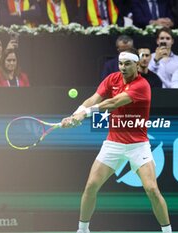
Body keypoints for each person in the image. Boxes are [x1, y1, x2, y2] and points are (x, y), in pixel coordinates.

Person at [61, 48, 172, 233]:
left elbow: (113, 102)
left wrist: (85, 114)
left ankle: (168, 231)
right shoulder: (112, 79)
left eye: (127, 64)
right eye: (120, 63)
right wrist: (74, 115)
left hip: (138, 146)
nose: (123, 68)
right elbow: (94, 98)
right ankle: (82, 230)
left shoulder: (142, 85)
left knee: (152, 189)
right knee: (91, 186)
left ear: (137, 65)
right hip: (113, 143)